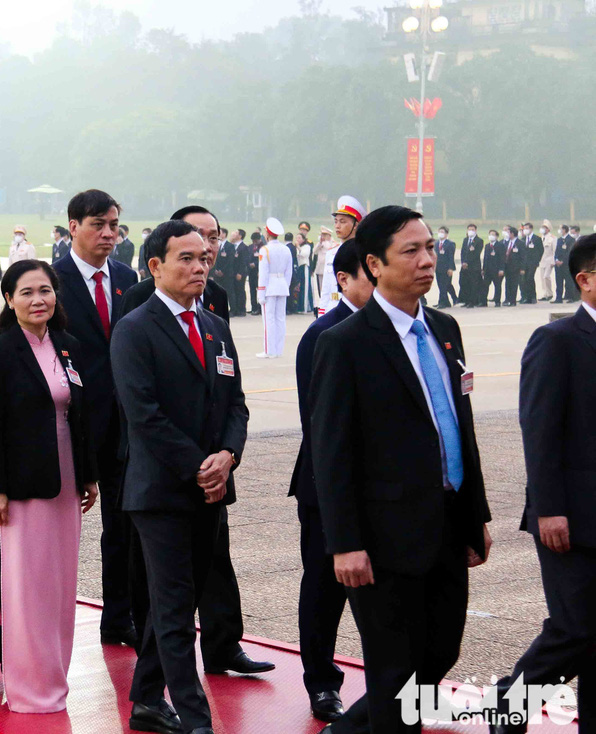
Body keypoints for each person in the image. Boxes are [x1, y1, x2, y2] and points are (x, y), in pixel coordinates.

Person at [311, 205, 493, 733]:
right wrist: (344, 542)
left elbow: (460, 424)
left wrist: (473, 513)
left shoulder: (445, 328)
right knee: (395, 674)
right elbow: (332, 451)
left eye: (430, 248)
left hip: (446, 522)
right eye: (410, 251)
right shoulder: (344, 343)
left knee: (438, 655)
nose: (427, 261)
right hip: (382, 537)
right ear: (374, 263)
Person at [122, 207, 271, 678]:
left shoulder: (215, 313)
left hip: (212, 476)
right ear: (159, 262)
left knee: (205, 576)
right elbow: (143, 408)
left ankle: (188, 669)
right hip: (164, 476)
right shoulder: (139, 315)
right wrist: (200, 465)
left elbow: (234, 400)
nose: (201, 264)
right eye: (190, 253)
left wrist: (227, 457)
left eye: (209, 249)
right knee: (170, 598)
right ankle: (189, 712)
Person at [0, 259, 99, 713]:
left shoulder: (68, 347)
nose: (38, 300)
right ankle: (26, 685)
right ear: (9, 299)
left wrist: (88, 475)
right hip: (20, 489)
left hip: (64, 483)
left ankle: (54, 675)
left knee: (59, 585)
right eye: (26, 292)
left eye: (45, 290)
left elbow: (79, 416)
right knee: (25, 586)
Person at [487, 234, 596, 734]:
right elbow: (539, 429)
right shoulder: (557, 342)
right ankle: (509, 707)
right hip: (570, 516)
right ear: (586, 280)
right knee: (575, 627)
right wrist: (549, 508)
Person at [289, 240, 375, 723]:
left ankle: (387, 684)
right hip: (327, 486)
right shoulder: (322, 335)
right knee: (323, 591)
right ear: (343, 279)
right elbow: (319, 424)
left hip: (384, 490)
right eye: (370, 274)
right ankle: (322, 684)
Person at [53, 189, 139, 647]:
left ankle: (119, 617)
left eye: (113, 226)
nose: (108, 234)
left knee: (122, 525)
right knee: (55, 526)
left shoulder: (128, 278)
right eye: (97, 225)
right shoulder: (51, 280)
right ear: (73, 227)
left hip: (123, 423)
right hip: (71, 420)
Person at [317, 196, 365, 316]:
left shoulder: (363, 253)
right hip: (332, 308)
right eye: (336, 221)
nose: (337, 226)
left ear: (355, 225)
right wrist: (321, 314)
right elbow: (325, 289)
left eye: (343, 222)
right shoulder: (331, 253)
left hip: (354, 311)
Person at [256, 218, 293, 359]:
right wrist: (285, 286)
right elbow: (289, 272)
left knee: (269, 319)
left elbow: (264, 273)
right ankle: (278, 350)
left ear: (267, 234)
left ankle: (269, 350)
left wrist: (261, 292)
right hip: (282, 284)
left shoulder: (265, 250)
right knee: (280, 319)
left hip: (270, 286)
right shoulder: (286, 249)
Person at [434, 225, 457, 308]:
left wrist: (450, 268)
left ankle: (442, 303)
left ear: (447, 234)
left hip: (446, 268)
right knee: (441, 285)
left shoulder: (450, 244)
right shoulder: (436, 243)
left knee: (444, 285)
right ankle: (447, 301)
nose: (440, 234)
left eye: (442, 232)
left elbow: (451, 257)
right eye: (439, 232)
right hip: (438, 268)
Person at [519, 222, 542, 305]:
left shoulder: (537, 239)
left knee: (530, 278)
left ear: (531, 229)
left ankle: (533, 297)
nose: (525, 230)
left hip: (532, 262)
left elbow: (541, 250)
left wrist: (537, 260)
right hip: (524, 263)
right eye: (524, 229)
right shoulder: (523, 239)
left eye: (527, 228)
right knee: (524, 279)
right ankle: (526, 297)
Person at [554, 224, 576, 303]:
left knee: (568, 281)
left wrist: (563, 261)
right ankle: (558, 298)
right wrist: (556, 259)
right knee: (558, 281)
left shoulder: (571, 239)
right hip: (558, 264)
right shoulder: (559, 239)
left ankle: (571, 297)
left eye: (561, 229)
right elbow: (556, 250)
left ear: (564, 230)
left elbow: (569, 252)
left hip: (566, 264)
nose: (559, 230)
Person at [483, 230, 505, 307]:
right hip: (488, 270)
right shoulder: (487, 246)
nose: (491, 236)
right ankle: (483, 301)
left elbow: (502, 258)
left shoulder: (500, 245)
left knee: (497, 286)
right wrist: (483, 269)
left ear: (496, 236)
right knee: (485, 286)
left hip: (497, 270)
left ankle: (497, 301)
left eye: (493, 234)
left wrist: (501, 269)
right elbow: (485, 258)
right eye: (490, 234)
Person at [504, 226, 524, 307]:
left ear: (512, 233)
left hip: (515, 267)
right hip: (507, 266)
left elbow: (523, 257)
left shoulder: (520, 243)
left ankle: (513, 300)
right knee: (507, 284)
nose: (507, 234)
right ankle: (508, 299)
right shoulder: (506, 242)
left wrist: (522, 268)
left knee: (514, 284)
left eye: (508, 232)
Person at [537, 220, 555, 301]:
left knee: (546, 276)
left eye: (545, 228)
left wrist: (553, 261)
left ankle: (550, 293)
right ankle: (546, 294)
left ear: (548, 229)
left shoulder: (552, 238)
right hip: (542, 260)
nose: (543, 229)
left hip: (549, 260)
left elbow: (554, 250)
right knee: (542, 278)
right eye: (542, 227)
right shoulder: (540, 238)